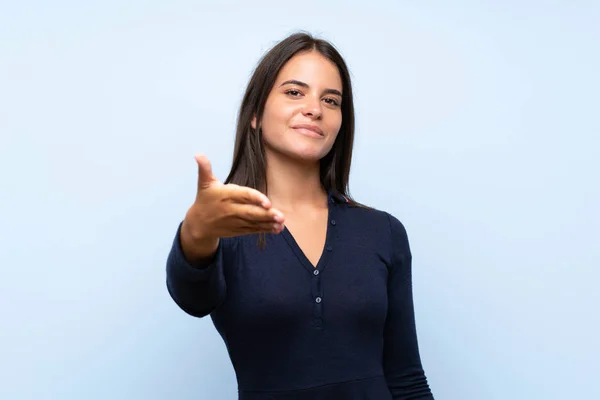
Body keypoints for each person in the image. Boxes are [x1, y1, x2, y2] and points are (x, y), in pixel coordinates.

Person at [165, 32, 435, 400]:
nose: (315, 108)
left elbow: (407, 380)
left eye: (331, 100)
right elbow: (191, 297)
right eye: (295, 92)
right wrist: (196, 232)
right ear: (256, 114)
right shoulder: (224, 229)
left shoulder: (383, 232)